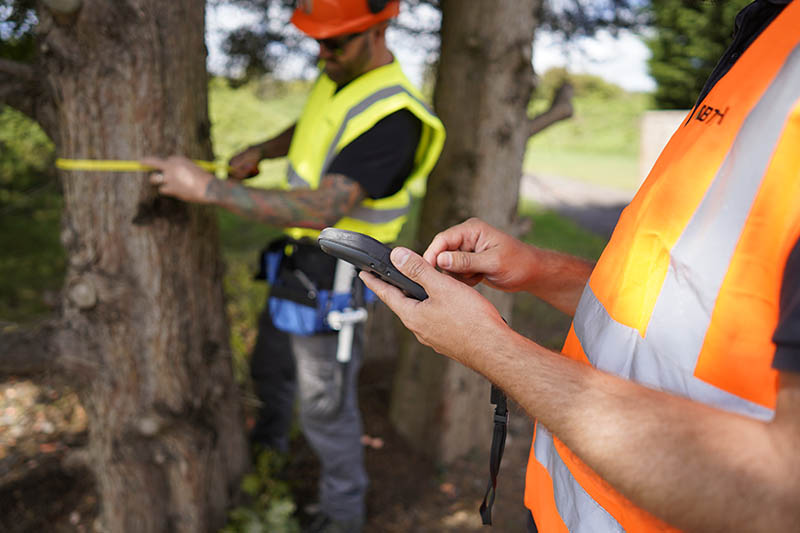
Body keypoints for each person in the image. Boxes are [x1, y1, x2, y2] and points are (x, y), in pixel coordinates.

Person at [360, 1, 800, 531]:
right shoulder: (773, 36)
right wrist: (539, 268)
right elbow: (688, 305)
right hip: (558, 509)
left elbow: (783, 493)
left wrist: (491, 348)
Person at [143, 1, 445, 531]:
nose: (322, 54)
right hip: (299, 264)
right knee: (272, 372)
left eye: (336, 43)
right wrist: (264, 148)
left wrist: (207, 190)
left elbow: (325, 207)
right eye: (317, 41)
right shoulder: (342, 79)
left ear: (378, 29)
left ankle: (340, 516)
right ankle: (268, 462)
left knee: (326, 409)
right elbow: (314, 122)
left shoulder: (396, 117)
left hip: (338, 278)